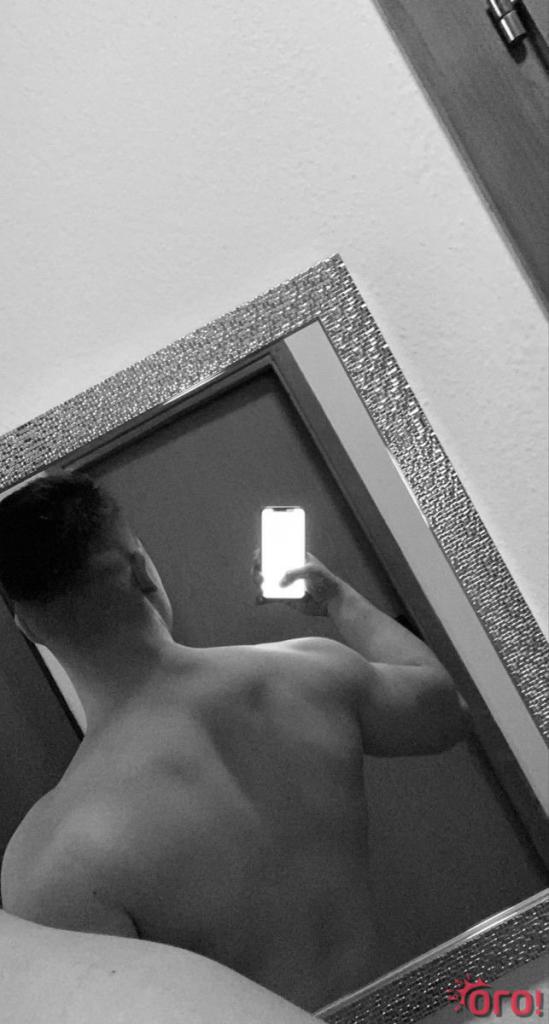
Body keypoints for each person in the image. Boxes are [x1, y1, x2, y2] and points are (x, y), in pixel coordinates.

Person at [0, 471, 469, 1012]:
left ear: (28, 626)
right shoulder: (311, 673)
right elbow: (446, 711)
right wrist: (338, 599)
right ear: (141, 571)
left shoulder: (50, 857)